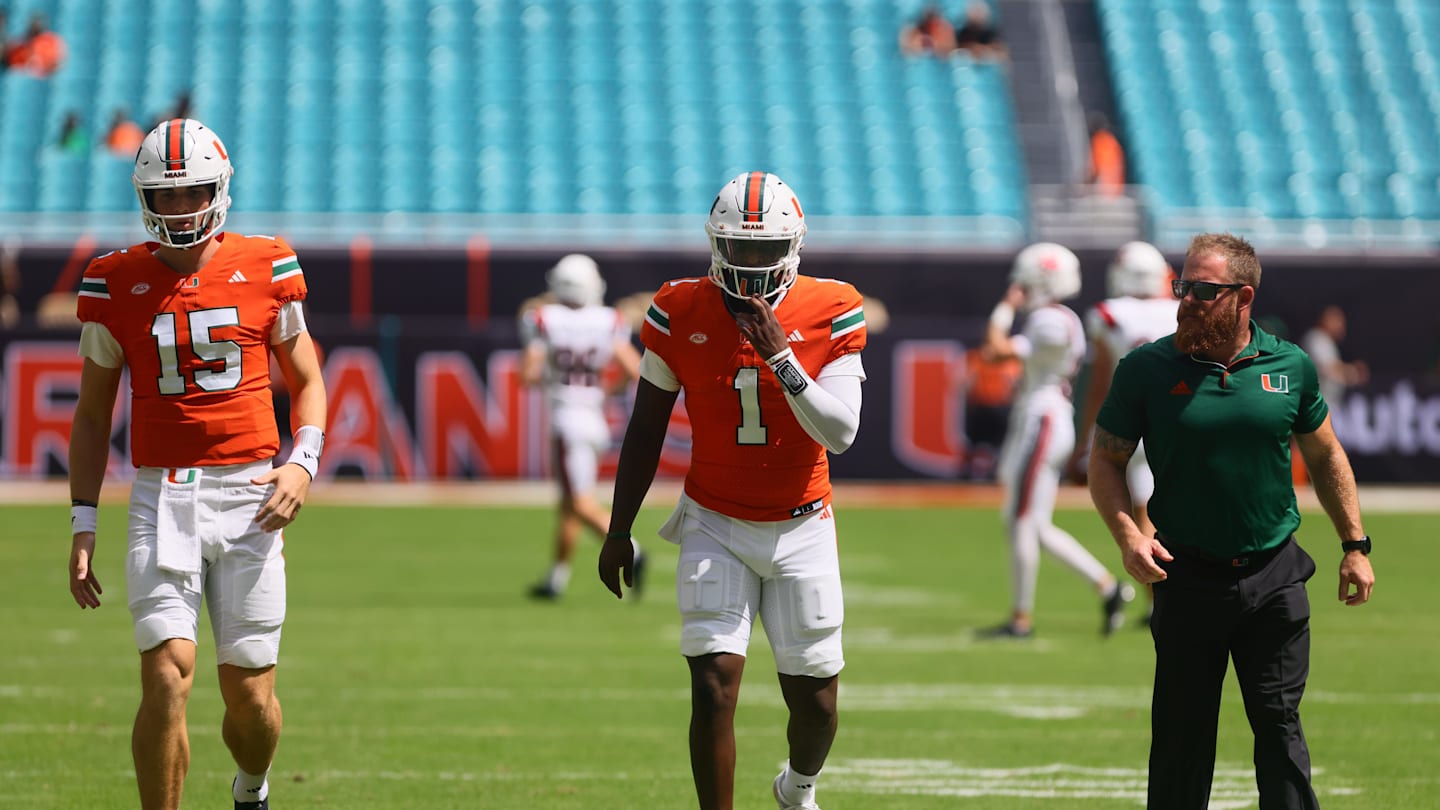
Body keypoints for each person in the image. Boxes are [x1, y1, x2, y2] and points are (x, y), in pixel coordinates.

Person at [67, 118, 328, 810]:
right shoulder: (111, 279)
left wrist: (302, 461)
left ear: (221, 190)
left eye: (194, 194)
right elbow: (93, 415)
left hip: (250, 495)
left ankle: (252, 787)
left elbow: (307, 381)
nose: (181, 209)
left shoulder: (267, 265)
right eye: (167, 197)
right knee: (165, 679)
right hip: (161, 496)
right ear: (145, 198)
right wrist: (83, 520)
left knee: (251, 701)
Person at [599, 171, 867, 810]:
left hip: (803, 522)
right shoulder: (679, 307)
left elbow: (843, 432)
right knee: (713, 687)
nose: (751, 264)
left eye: (766, 249)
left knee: (817, 703)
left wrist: (782, 357)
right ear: (716, 245)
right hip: (714, 519)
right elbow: (646, 427)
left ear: (793, 247)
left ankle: (797, 788)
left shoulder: (831, 305)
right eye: (740, 249)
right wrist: (618, 528)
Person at [1087, 232, 1375, 810]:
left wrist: (1355, 544)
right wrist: (1128, 537)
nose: (1186, 299)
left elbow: (1325, 455)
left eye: (1202, 289)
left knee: (1279, 728)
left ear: (1242, 297)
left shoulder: (1290, 365)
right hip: (1185, 575)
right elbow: (1106, 460)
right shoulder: (1145, 368)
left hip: (1275, 576)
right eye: (1182, 285)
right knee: (1181, 740)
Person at [981, 242, 1134, 639]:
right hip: (1041, 417)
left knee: (1020, 520)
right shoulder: (1057, 318)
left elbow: (995, 351)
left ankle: (1021, 619)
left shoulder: (1050, 320)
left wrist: (1006, 305)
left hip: (1041, 419)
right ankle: (1107, 586)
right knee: (1030, 522)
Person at [521, 253, 642, 600]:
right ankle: (555, 578)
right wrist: (606, 390)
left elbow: (528, 374)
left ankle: (634, 548)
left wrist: (542, 369)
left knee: (578, 501)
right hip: (594, 418)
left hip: (566, 418)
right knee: (569, 503)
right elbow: (634, 370)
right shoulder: (610, 320)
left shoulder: (543, 319)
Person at [1067, 242, 1178, 620]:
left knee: (1143, 510)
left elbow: (1099, 386)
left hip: (1135, 422)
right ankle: (1170, 595)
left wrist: (1084, 440)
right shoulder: (1183, 310)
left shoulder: (1108, 314)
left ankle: (1156, 597)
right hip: (1184, 418)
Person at [1301, 304, 1368, 413]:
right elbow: (1329, 368)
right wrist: (1355, 372)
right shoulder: (1316, 338)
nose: (1340, 326)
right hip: (1315, 408)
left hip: (1328, 406)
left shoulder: (1327, 341)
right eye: (1337, 321)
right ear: (1325, 319)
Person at [1086, 112, 1126, 197]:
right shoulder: (1112, 141)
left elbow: (1095, 169)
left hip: (1104, 189)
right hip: (1116, 188)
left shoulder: (1099, 142)